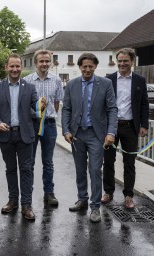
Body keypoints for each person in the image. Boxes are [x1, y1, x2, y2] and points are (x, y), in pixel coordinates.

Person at [0, 53, 46, 221]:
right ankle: (13, 200)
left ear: (21, 67)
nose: (15, 69)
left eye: (17, 66)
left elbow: (35, 109)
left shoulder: (29, 87)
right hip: (6, 134)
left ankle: (26, 205)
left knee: (26, 169)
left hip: (24, 135)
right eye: (11, 66)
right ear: (6, 67)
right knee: (11, 169)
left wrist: (41, 107)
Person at [62, 53, 117, 223]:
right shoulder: (71, 85)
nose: (87, 69)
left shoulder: (106, 84)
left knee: (94, 170)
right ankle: (82, 199)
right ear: (80, 67)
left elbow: (112, 109)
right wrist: (66, 130)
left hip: (96, 134)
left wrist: (111, 132)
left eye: (90, 66)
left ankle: (95, 207)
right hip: (77, 134)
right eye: (84, 66)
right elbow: (66, 110)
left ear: (95, 67)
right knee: (79, 169)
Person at [102, 48, 149, 209]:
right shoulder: (108, 80)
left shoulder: (139, 80)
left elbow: (144, 103)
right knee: (108, 161)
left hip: (130, 127)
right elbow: (102, 104)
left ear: (132, 62)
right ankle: (108, 192)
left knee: (129, 163)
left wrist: (144, 125)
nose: (122, 64)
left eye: (125, 61)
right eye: (119, 61)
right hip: (111, 127)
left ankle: (128, 195)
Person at [23, 49, 64, 206]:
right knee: (30, 162)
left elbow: (56, 104)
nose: (45, 64)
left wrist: (49, 115)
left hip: (49, 125)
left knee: (48, 162)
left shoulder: (56, 80)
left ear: (50, 63)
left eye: (47, 61)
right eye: (42, 61)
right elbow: (24, 105)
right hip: (32, 124)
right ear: (35, 63)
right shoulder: (27, 81)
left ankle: (49, 193)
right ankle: (28, 193)